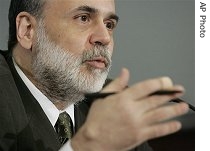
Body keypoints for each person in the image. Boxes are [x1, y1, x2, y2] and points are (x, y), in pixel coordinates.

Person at [0, 0, 189, 150]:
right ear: (27, 30)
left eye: (109, 24)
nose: (105, 37)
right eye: (83, 18)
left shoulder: (110, 102)